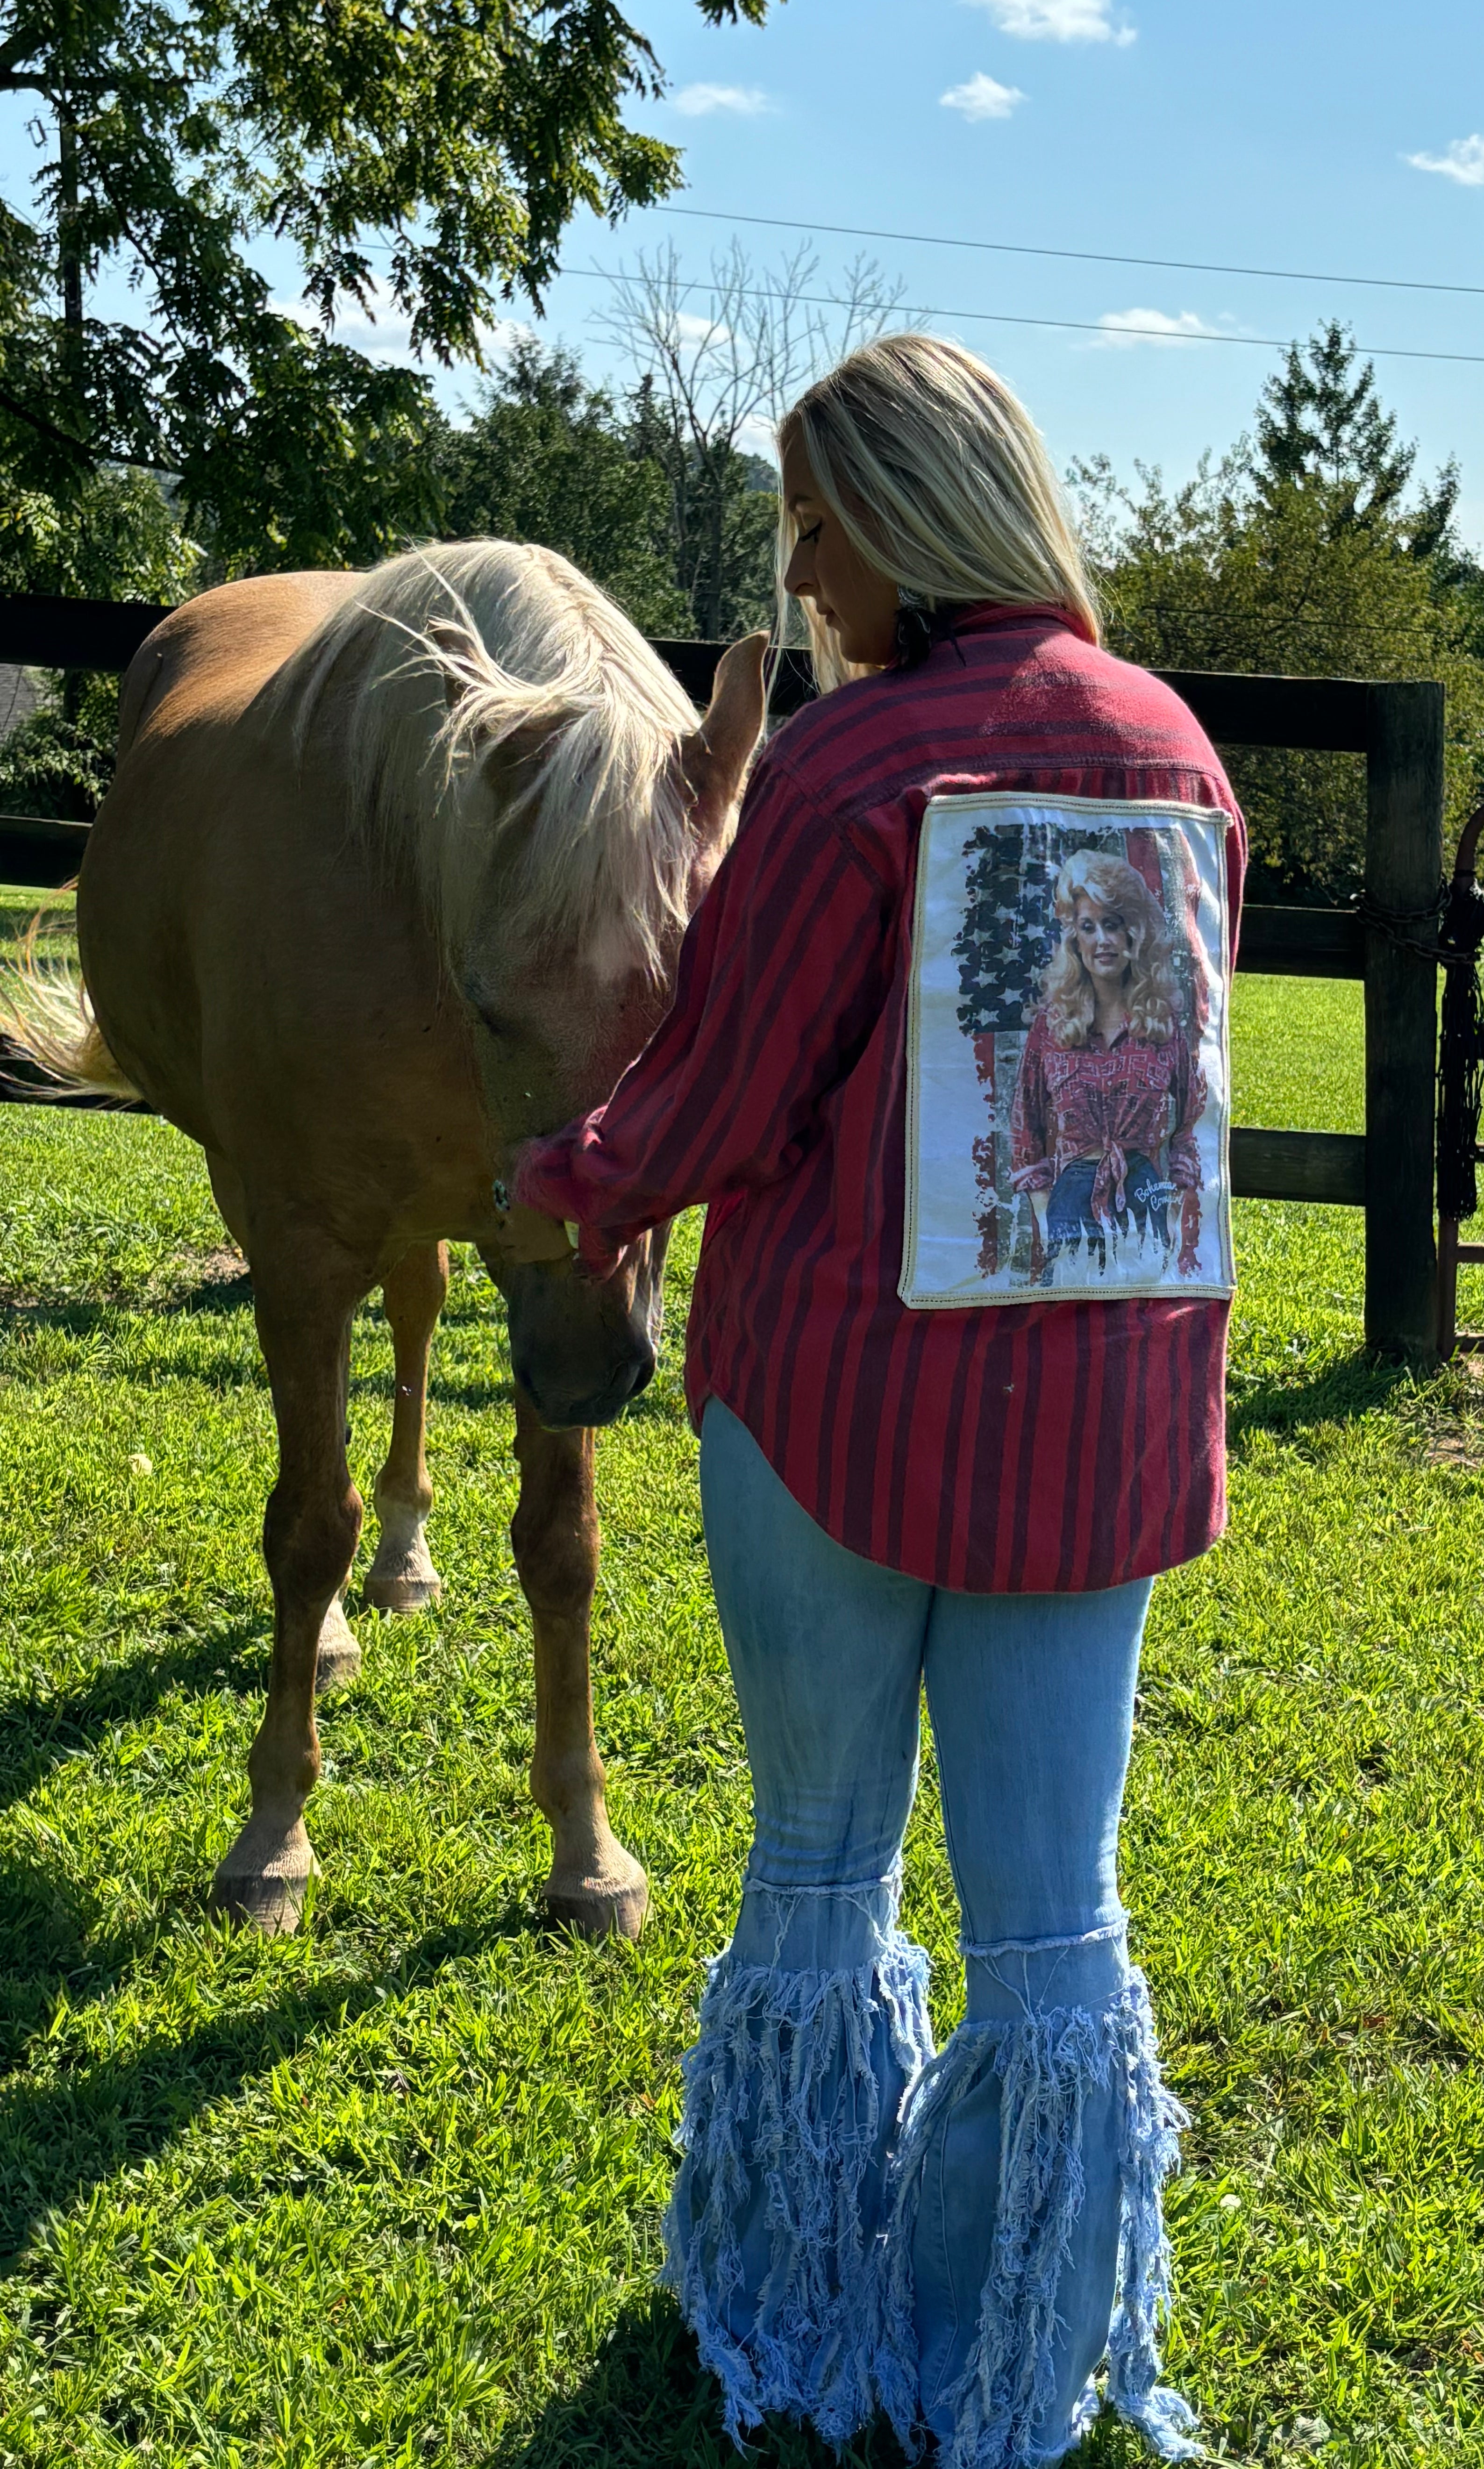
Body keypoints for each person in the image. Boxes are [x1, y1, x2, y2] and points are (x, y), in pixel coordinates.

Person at [508, 334, 1244, 2469]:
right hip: (1095, 1425)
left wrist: (566, 1180)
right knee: (1053, 1910)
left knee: (820, 1872)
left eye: (819, 526)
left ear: (906, 525)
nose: (805, 574)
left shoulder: (854, 774)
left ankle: (806, 2309)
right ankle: (999, 2340)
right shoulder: (1174, 753)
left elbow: (713, 1105)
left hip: (839, 1400)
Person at [1010, 850, 1209, 1280]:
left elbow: (1192, 1122)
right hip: (1069, 1207)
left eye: (1113, 925)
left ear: (1133, 934)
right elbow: (1026, 1125)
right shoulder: (1052, 1025)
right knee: (1070, 1322)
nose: (1102, 940)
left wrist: (1173, 1198)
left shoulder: (1162, 1024)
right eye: (1089, 927)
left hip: (1144, 1200)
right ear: (1074, 940)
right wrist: (1044, 1211)